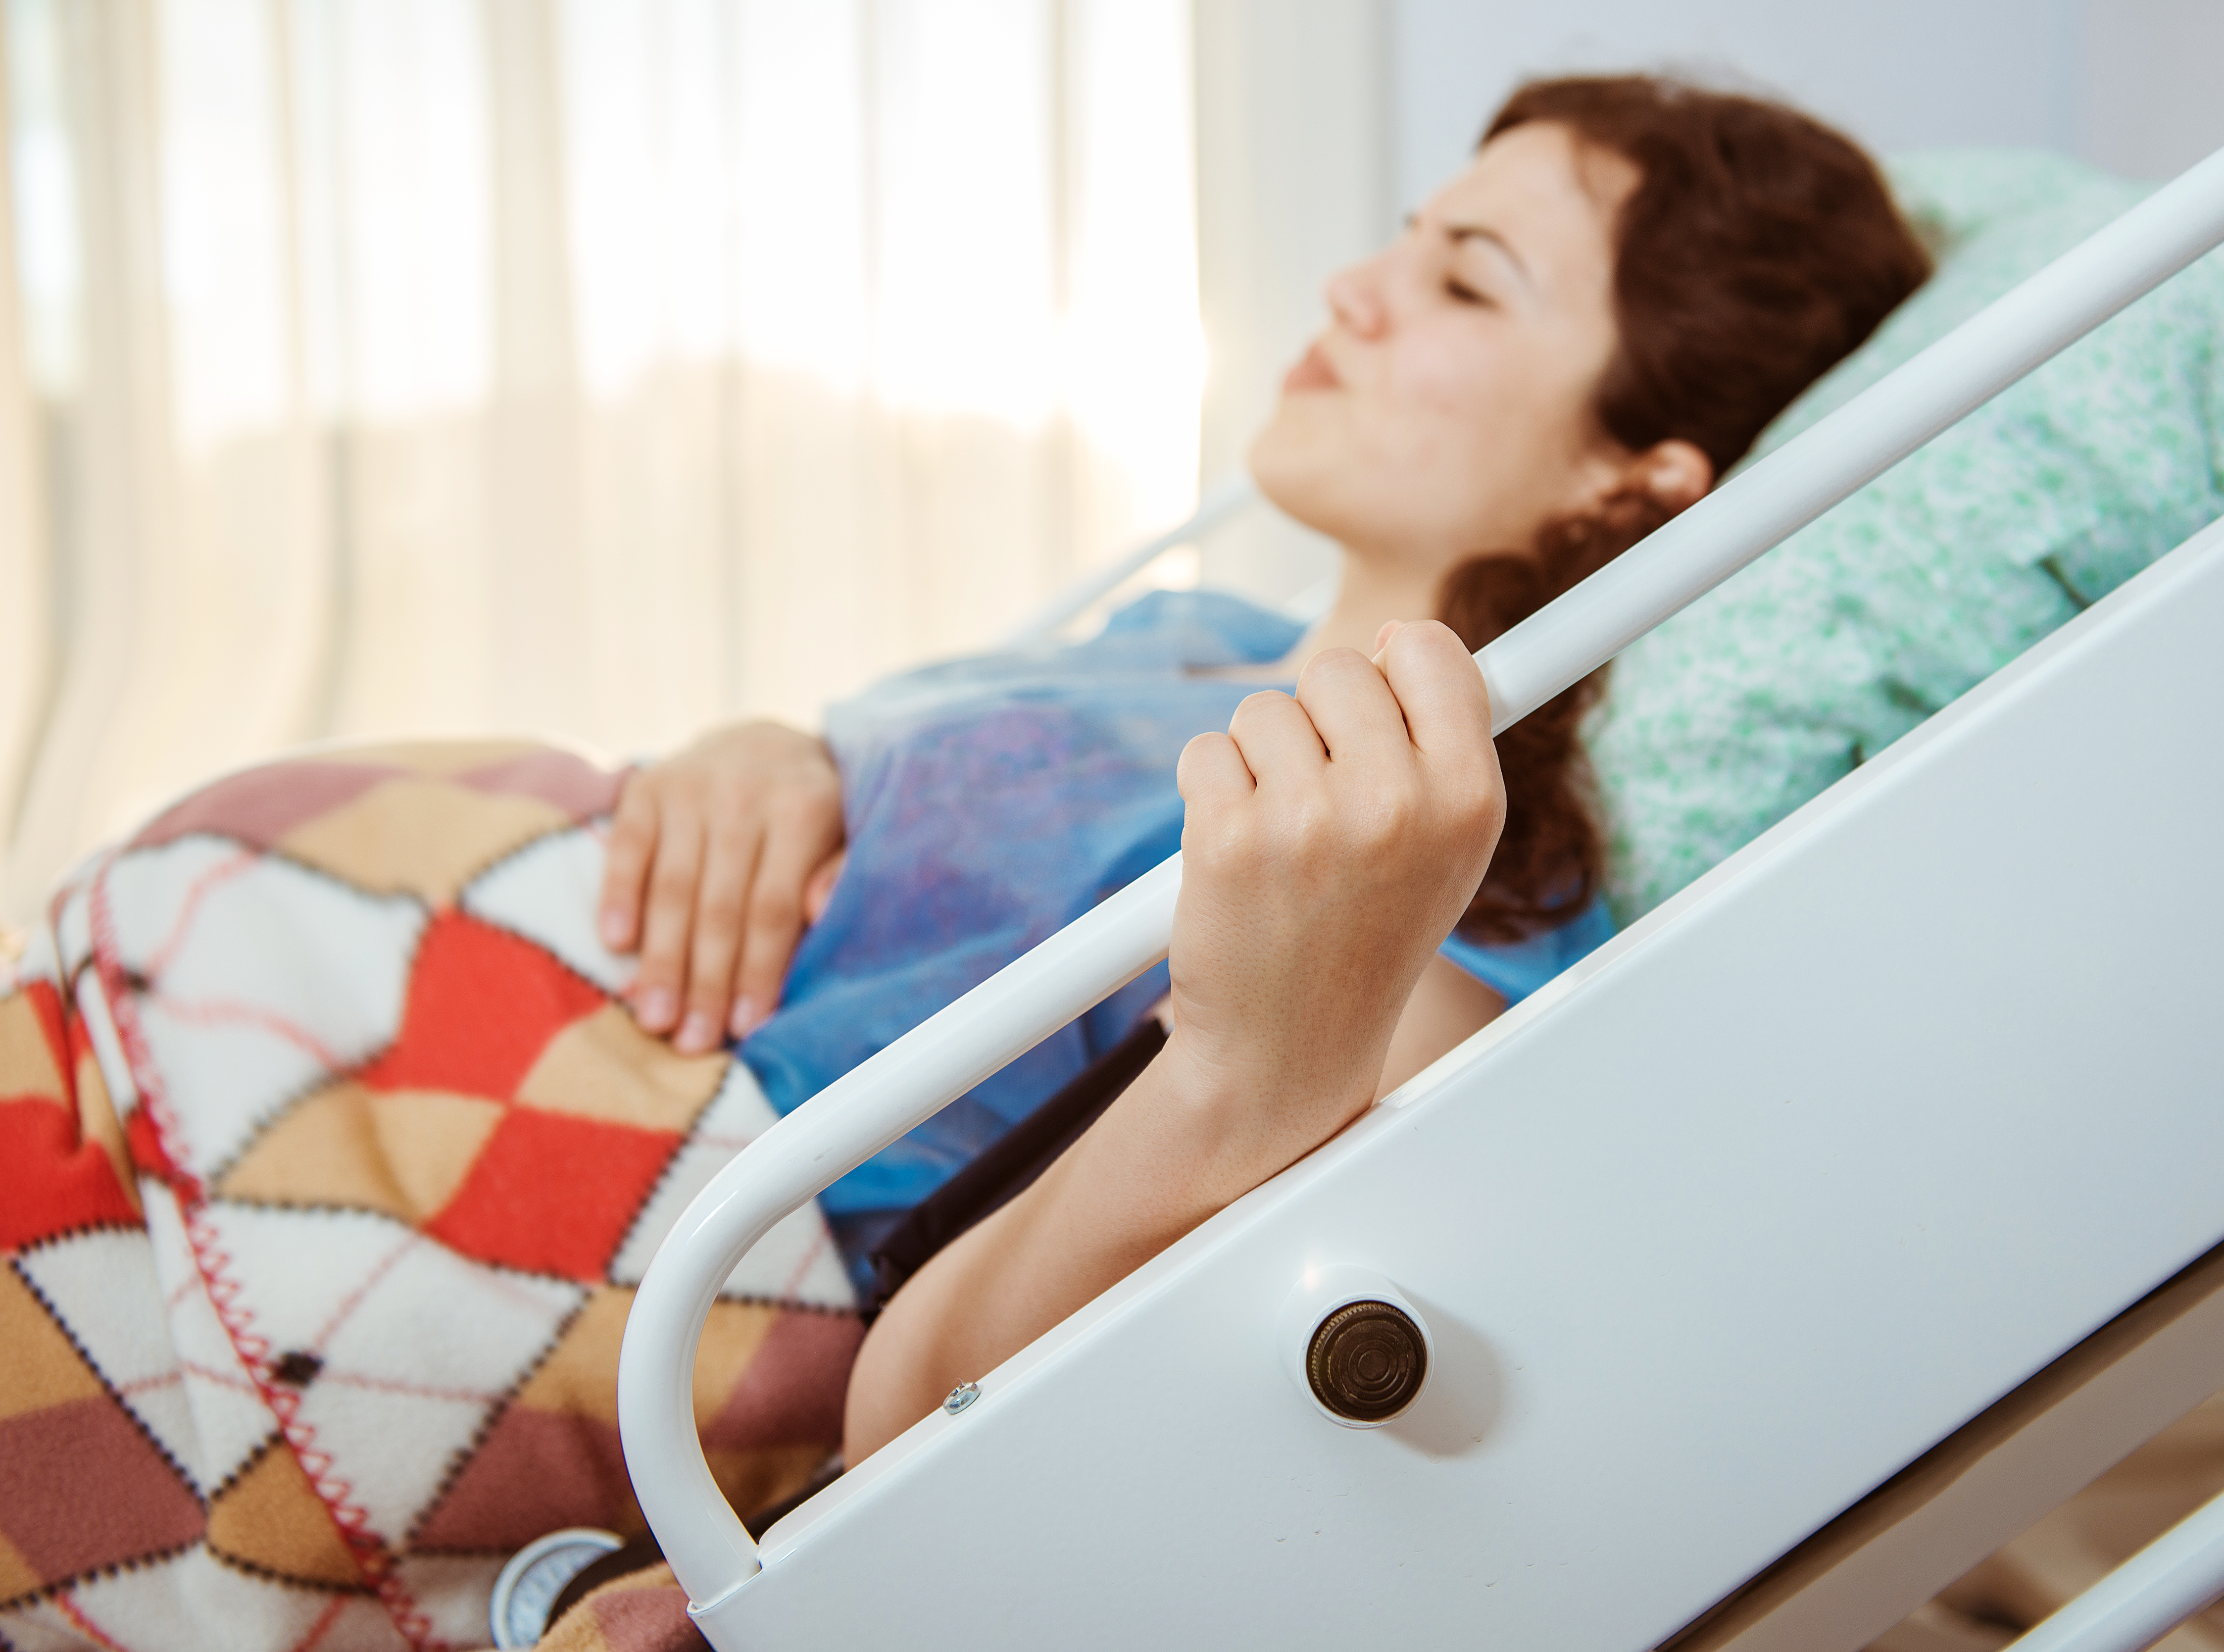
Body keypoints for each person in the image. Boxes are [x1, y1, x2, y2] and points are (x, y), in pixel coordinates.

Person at [594, 76, 1932, 1464]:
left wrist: (1242, 1063)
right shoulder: (1191, 637)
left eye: (1467, 286)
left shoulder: (1420, 905)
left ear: (1632, 487)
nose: (1353, 289)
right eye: (1405, 241)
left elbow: (925, 1424)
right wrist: (760, 752)